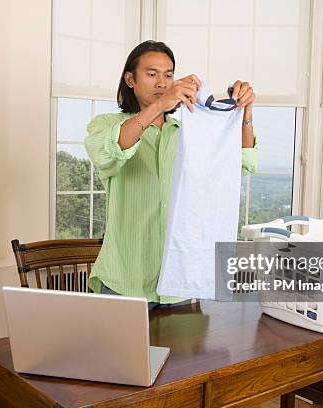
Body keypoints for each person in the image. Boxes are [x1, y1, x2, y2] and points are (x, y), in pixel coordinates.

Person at [84, 40, 257, 310]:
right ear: (130, 79)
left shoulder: (189, 133)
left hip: (180, 285)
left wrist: (245, 111)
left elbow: (243, 163)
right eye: (151, 74)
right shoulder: (108, 125)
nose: (162, 83)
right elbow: (112, 149)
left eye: (168, 75)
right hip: (125, 283)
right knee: (122, 354)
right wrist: (159, 106)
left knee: (185, 354)